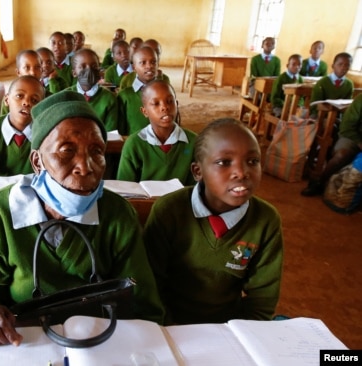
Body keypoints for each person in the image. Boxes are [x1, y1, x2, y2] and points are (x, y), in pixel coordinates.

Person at [0, 91, 165, 346]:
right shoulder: (2, 212)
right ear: (37, 161)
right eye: (67, 151)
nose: (85, 166)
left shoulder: (116, 214)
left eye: (96, 151)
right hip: (26, 344)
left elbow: (143, 304)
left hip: (101, 344)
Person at [144, 118, 283, 325]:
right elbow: (151, 285)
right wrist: (170, 329)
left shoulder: (265, 220)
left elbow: (261, 300)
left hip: (227, 329)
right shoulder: (169, 211)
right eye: (224, 162)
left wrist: (239, 337)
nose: (242, 172)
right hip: (169, 323)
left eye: (252, 161)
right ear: (197, 172)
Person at [117, 80, 196, 185]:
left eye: (169, 101)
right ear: (145, 111)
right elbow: (124, 187)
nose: (165, 107)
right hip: (141, 201)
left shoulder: (194, 142)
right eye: (156, 103)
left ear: (176, 104)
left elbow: (197, 187)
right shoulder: (134, 144)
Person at [301, 93, 362, 196]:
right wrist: (359, 143)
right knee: (342, 154)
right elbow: (347, 127)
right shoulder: (360, 99)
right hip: (353, 136)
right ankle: (320, 182)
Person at [66, 48, 118, 131]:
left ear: (99, 70)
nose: (89, 70)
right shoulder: (65, 96)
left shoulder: (109, 99)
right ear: (74, 73)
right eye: (82, 67)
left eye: (94, 66)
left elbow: (110, 133)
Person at [117, 46, 163, 136]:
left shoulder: (165, 92)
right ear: (134, 67)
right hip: (133, 145)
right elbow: (121, 130)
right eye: (143, 63)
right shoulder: (125, 95)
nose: (149, 66)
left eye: (153, 62)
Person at [308, 52, 353, 117]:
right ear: (333, 66)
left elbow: (347, 105)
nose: (343, 67)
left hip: (337, 117)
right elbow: (314, 105)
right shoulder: (322, 82)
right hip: (320, 115)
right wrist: (330, 109)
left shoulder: (349, 84)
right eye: (340, 64)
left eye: (347, 65)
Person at [0, 49, 43, 115]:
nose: (33, 72)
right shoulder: (11, 98)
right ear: (18, 72)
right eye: (27, 68)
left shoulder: (49, 97)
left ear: (42, 70)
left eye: (37, 67)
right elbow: (3, 121)